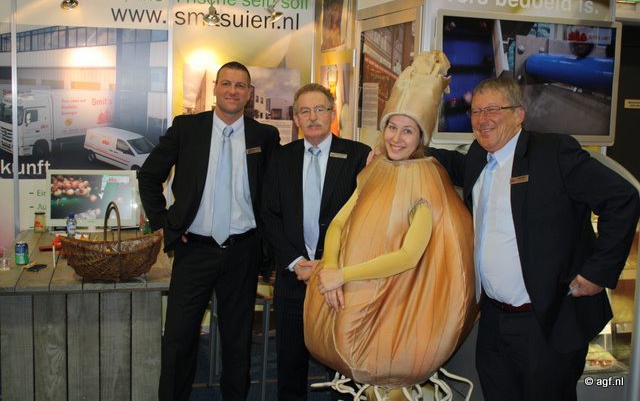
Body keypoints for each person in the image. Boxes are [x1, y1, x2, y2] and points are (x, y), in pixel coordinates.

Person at [430, 77, 640, 401]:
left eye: (493, 109)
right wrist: (405, 148)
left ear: (519, 114)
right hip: (493, 322)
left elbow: (622, 198)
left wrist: (598, 272)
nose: (482, 119)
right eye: (476, 111)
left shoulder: (554, 153)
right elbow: (450, 165)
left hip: (546, 323)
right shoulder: (478, 157)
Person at [305, 51, 476, 393]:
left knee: (387, 382)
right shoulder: (376, 170)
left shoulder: (427, 180)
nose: (397, 138)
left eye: (408, 131)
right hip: (356, 290)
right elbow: (338, 223)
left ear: (421, 137)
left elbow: (409, 256)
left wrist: (344, 275)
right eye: (392, 128)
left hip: (399, 306)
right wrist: (332, 268)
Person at [137, 61, 280, 400]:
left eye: (240, 86)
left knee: (237, 340)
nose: (233, 91)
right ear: (215, 88)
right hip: (194, 250)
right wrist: (164, 224)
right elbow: (149, 175)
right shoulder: (187, 128)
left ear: (249, 94)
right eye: (226, 83)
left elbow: (276, 190)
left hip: (243, 252)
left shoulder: (264, 136)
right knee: (178, 338)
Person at [261, 83, 370, 400]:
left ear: (332, 114)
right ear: (296, 119)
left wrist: (330, 263)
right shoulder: (281, 158)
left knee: (344, 368)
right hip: (294, 278)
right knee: (290, 366)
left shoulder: (358, 156)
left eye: (320, 109)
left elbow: (366, 219)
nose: (312, 117)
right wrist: (296, 262)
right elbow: (269, 215)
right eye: (304, 111)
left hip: (341, 281)